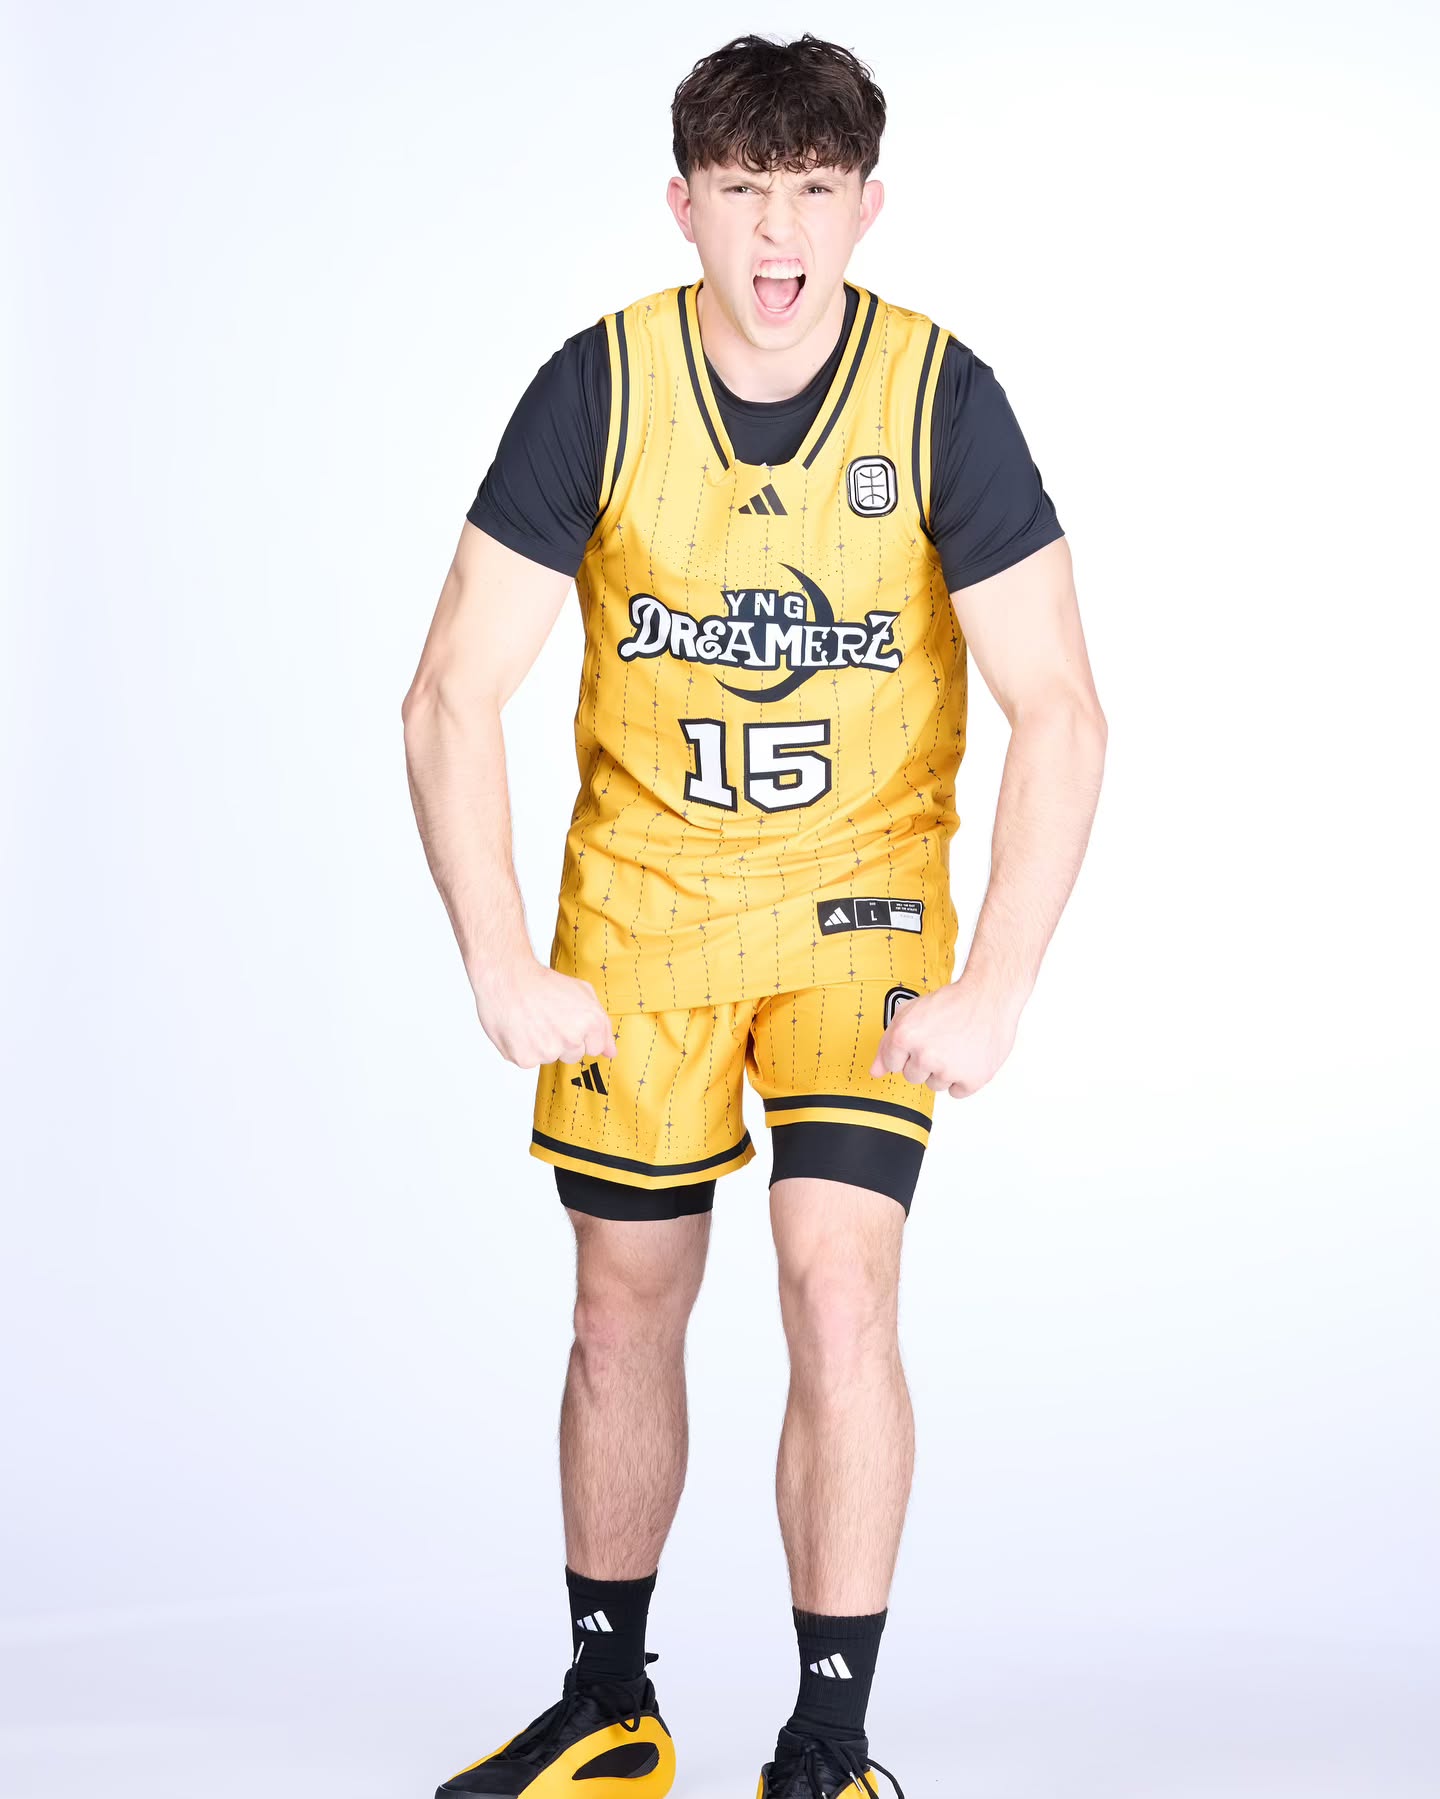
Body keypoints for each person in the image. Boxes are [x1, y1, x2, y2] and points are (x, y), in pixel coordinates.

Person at [401, 30, 1106, 1799]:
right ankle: (609, 1701)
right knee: (621, 1306)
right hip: (642, 916)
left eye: (811, 193)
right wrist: (499, 960)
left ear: (868, 205)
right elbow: (448, 695)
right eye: (742, 192)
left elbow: (1063, 707)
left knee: (837, 1283)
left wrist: (1001, 986)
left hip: (859, 913)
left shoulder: (940, 396)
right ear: (683, 203)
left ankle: (830, 1738)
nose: (777, 237)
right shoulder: (603, 387)